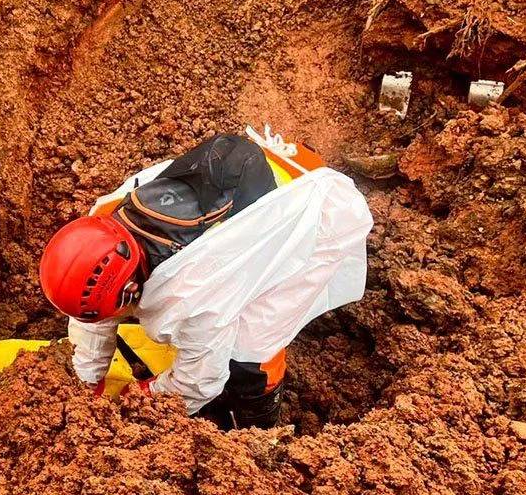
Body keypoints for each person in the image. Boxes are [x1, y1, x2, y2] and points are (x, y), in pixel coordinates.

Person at [38, 129, 373, 429]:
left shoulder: (190, 295)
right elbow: (93, 311)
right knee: (208, 331)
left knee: (249, 348)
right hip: (277, 170)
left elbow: (198, 383)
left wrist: (137, 403)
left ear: (130, 289)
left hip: (316, 217)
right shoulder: (104, 220)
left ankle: (258, 426)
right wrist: (84, 383)